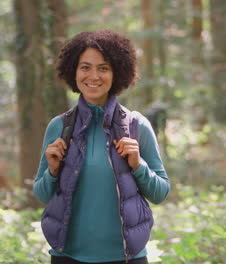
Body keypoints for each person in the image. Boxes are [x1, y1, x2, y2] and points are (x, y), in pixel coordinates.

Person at [33, 30, 170, 264]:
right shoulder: (59, 127)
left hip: (127, 257)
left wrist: (138, 165)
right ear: (73, 71)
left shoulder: (137, 126)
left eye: (103, 68)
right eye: (85, 67)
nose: (93, 75)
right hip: (67, 256)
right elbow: (42, 193)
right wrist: (52, 171)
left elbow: (160, 193)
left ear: (116, 73)